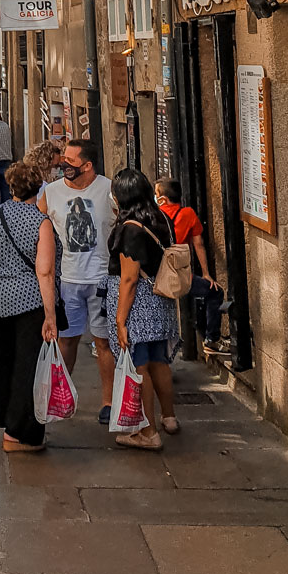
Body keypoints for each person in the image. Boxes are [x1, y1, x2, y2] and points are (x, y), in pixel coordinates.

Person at [0, 157, 61, 453]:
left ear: (11, 187)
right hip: (28, 301)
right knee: (27, 367)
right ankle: (20, 434)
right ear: (38, 188)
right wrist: (51, 316)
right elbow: (44, 271)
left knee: (0, 363)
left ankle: (5, 421)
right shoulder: (41, 222)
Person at [39, 139, 116, 425]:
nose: (64, 164)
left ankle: (108, 401)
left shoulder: (108, 190)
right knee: (66, 341)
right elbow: (39, 226)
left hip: (101, 279)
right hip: (68, 279)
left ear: (87, 165)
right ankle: (61, 394)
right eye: (64, 159)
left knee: (103, 342)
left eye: (70, 161)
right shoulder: (51, 192)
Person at [106, 168, 181, 451]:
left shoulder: (129, 230)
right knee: (158, 360)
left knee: (138, 366)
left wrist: (120, 319)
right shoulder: (159, 218)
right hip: (159, 301)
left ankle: (148, 432)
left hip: (137, 305)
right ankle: (169, 417)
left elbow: (129, 278)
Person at [155, 175, 228, 349]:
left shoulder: (154, 214)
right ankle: (211, 338)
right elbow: (198, 244)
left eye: (156, 194)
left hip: (156, 274)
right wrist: (206, 273)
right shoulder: (187, 214)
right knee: (215, 293)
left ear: (162, 199)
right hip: (180, 275)